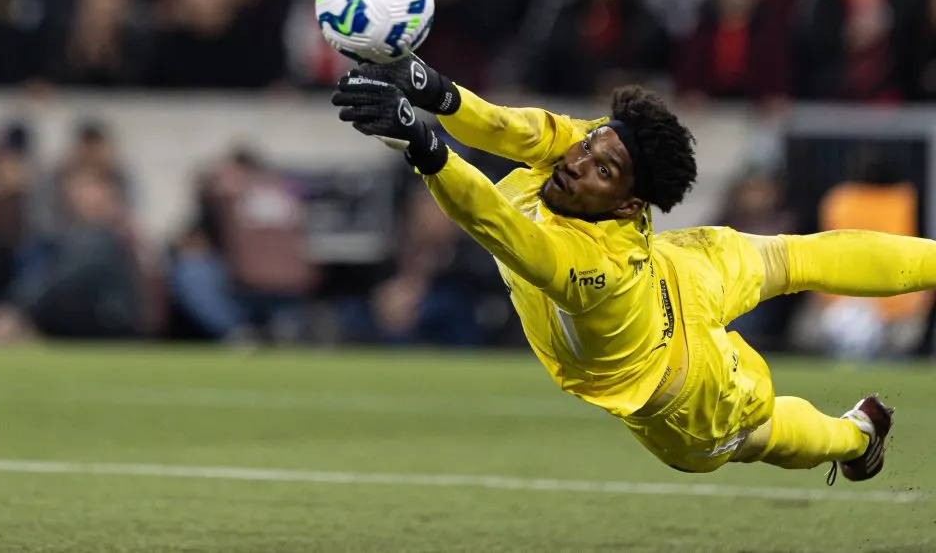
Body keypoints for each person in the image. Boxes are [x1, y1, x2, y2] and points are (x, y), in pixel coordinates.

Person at [328, 55, 935, 485]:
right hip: (680, 270)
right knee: (791, 256)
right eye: (589, 146)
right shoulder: (583, 155)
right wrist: (434, 90)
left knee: (757, 432)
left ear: (627, 205)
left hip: (683, 386)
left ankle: (857, 437)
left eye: (604, 169)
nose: (578, 161)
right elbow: (512, 128)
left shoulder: (596, 270)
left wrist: (423, 144)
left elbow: (498, 224)